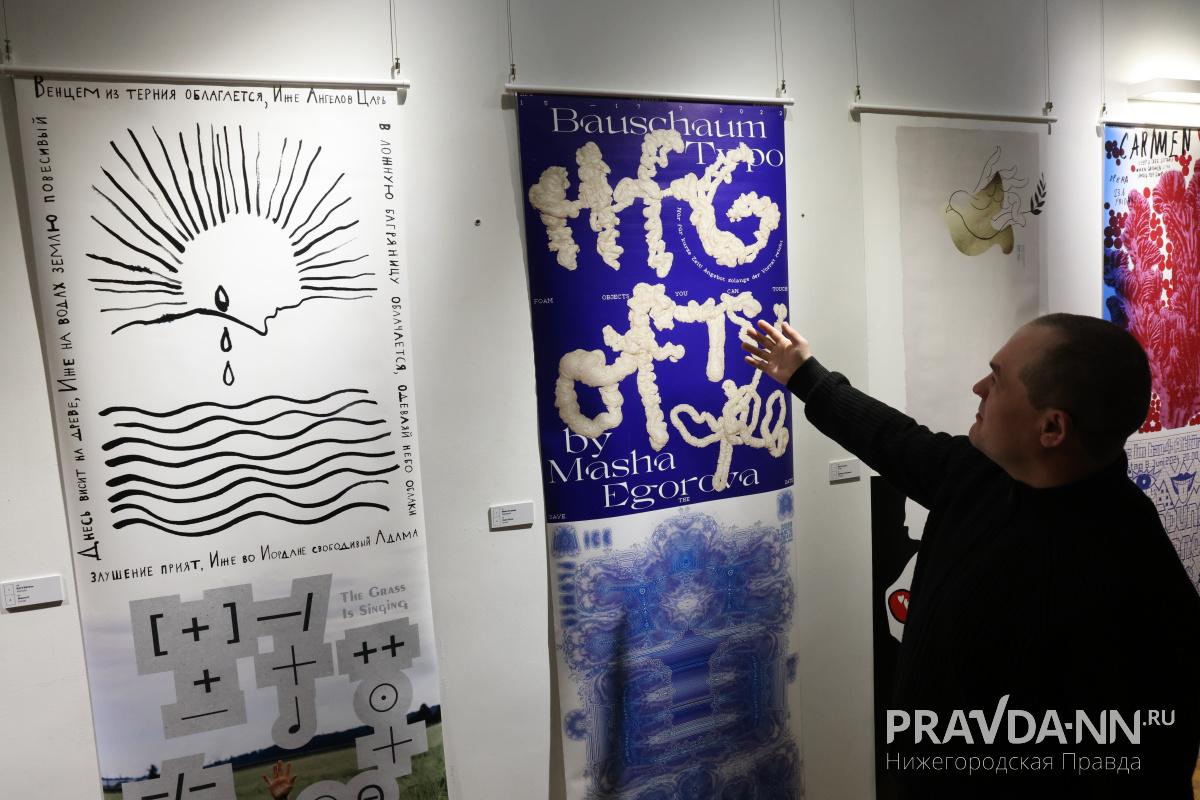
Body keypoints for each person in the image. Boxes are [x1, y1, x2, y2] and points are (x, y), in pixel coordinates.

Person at [743, 313, 1200, 798]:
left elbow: (1150, 756)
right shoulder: (979, 475)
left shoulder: (1131, 576)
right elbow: (893, 439)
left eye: (997, 380)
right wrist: (805, 375)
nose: (978, 388)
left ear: (1052, 427)